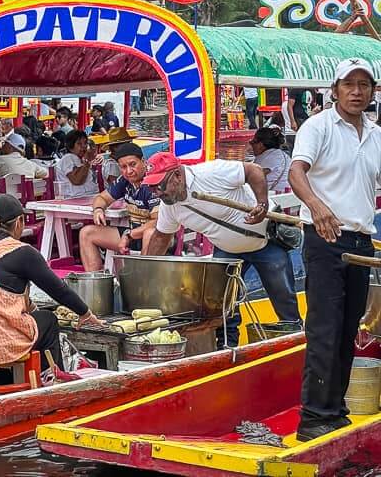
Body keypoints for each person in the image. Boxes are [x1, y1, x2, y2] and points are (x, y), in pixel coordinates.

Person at [288, 58, 381, 441]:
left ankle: (335, 410)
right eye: (349, 84)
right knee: (324, 329)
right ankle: (314, 417)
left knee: (348, 329)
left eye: (365, 85)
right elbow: (297, 172)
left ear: (373, 92)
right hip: (325, 238)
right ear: (335, 90)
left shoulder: (376, 135)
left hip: (360, 243)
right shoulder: (319, 126)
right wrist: (316, 205)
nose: (357, 91)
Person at [143, 152, 299, 348]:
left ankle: (295, 339)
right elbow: (161, 236)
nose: (157, 192)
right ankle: (227, 346)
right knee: (221, 304)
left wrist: (262, 204)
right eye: (152, 188)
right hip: (227, 249)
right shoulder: (170, 206)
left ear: (177, 175)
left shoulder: (211, 172)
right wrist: (144, 271)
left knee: (283, 295)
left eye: (160, 185)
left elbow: (254, 170)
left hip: (265, 242)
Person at [0, 194, 102, 375]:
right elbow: (58, 290)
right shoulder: (21, 251)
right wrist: (84, 313)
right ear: (19, 222)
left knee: (0, 322)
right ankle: (52, 380)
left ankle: (3, 380)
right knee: (48, 320)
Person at [82, 143, 159, 271]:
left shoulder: (152, 183)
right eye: (123, 167)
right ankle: (97, 286)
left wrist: (129, 235)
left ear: (143, 162)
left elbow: (157, 222)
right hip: (131, 234)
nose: (128, 171)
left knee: (149, 234)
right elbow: (101, 198)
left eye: (133, 164)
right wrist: (98, 210)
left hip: (158, 237)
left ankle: (143, 286)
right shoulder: (124, 181)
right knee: (87, 233)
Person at [56, 130, 101, 198]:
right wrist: (87, 162)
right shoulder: (67, 158)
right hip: (76, 198)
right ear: (71, 147)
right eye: (79, 144)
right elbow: (77, 180)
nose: (84, 146)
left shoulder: (81, 159)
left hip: (90, 196)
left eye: (85, 143)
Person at [250, 126, 291, 192]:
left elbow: (253, 175)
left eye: (252, 143)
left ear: (260, 145)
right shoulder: (282, 155)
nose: (251, 146)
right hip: (288, 191)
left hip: (275, 193)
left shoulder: (265, 157)